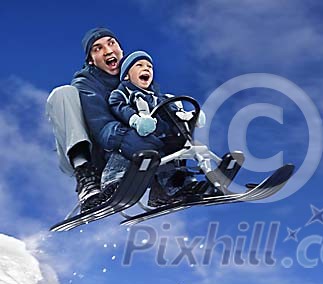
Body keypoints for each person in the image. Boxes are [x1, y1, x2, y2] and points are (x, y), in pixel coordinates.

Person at [46, 28, 165, 212]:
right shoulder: (86, 83)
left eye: (111, 43)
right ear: (91, 61)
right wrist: (132, 137)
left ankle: (169, 184)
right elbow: (101, 126)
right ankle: (86, 180)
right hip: (94, 153)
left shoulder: (135, 76)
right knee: (63, 94)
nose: (108, 51)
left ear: (121, 51)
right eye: (98, 48)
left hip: (132, 153)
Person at [105, 51, 205, 206]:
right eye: (139, 65)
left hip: (159, 138)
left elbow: (174, 112)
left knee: (178, 148)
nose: (146, 69)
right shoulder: (123, 93)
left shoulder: (161, 97)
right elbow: (118, 106)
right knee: (131, 147)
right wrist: (135, 120)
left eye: (149, 67)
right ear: (126, 76)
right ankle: (112, 182)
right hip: (133, 137)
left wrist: (191, 116)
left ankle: (175, 188)